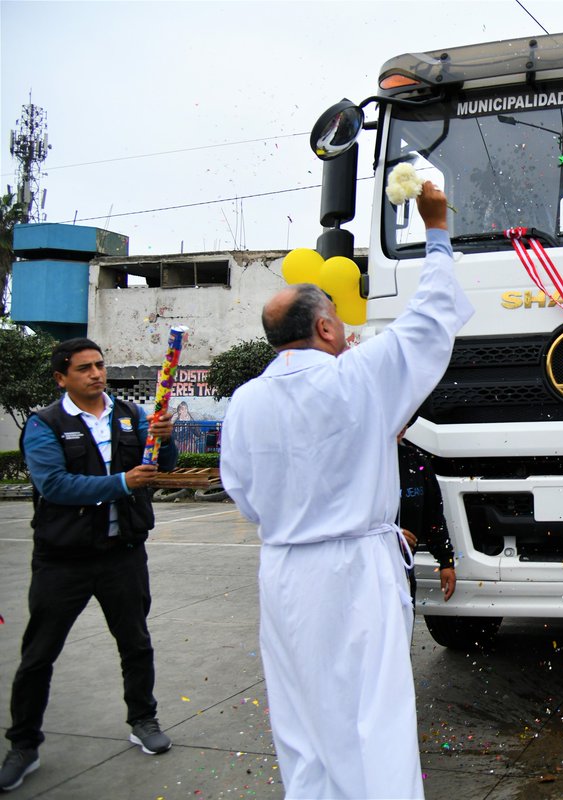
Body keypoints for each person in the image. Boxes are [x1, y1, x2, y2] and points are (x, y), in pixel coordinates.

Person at [219, 182, 472, 800]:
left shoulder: (245, 402)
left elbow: (243, 495)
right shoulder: (357, 378)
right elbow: (430, 319)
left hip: (283, 571)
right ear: (327, 325)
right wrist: (435, 231)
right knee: (373, 712)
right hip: (355, 567)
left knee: (301, 713)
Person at [1, 339, 177, 792]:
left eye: (99, 366)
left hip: (122, 553)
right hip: (63, 560)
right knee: (39, 655)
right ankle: (23, 744)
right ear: (62, 377)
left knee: (135, 643)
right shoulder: (45, 425)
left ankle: (143, 719)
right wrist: (121, 481)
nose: (96, 374)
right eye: (84, 369)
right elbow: (54, 485)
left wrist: (164, 441)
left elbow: (159, 468)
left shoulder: (132, 416)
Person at [397, 423, 456, 606]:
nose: (401, 426)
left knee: (402, 630)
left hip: (403, 570)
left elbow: (433, 515)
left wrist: (446, 561)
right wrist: (388, 534)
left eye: (406, 420)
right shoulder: (360, 464)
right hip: (366, 569)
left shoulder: (416, 460)